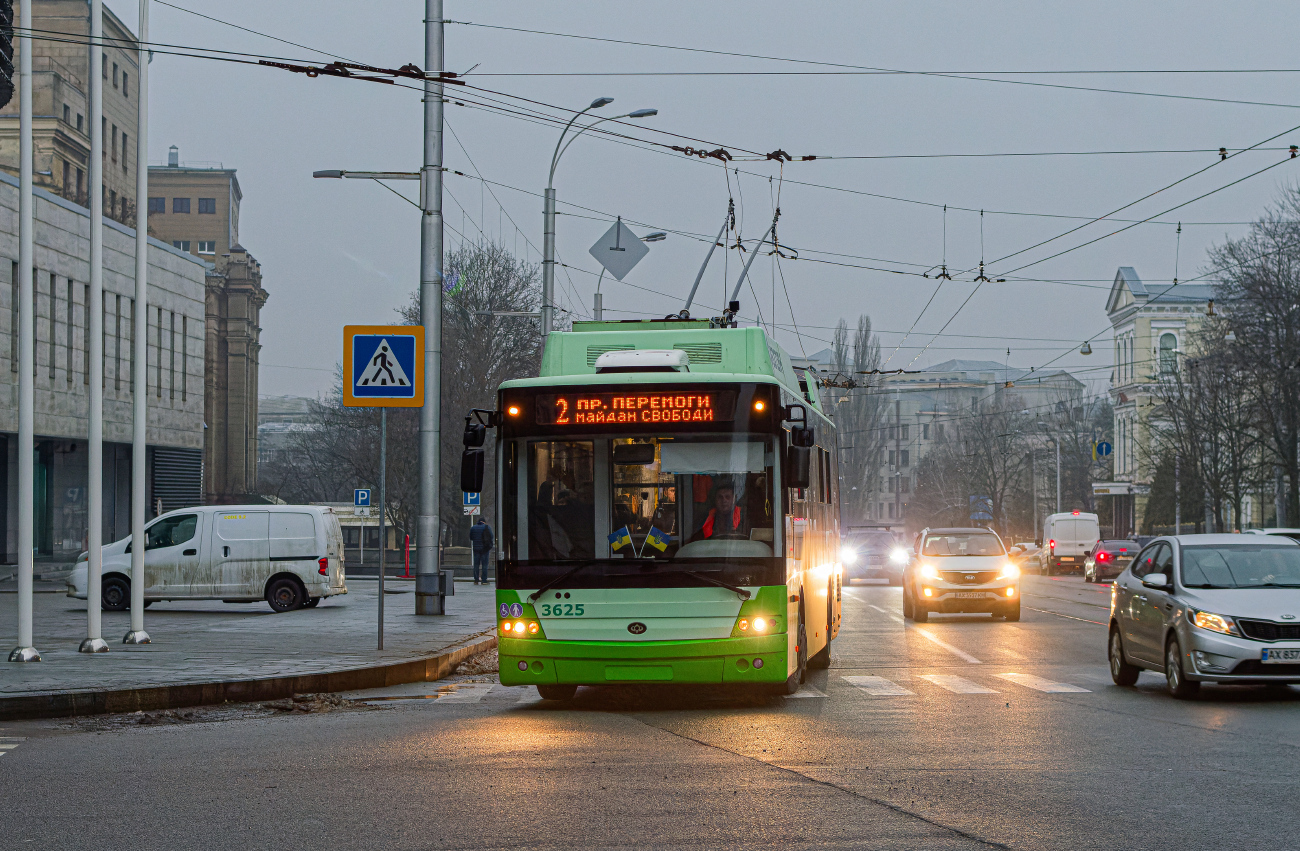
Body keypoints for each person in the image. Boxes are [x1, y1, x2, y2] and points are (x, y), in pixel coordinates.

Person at [468, 517, 494, 585]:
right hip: (484, 549)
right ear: (484, 522)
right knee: (484, 564)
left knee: (476, 565)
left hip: (476, 549)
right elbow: (491, 536)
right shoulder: (487, 527)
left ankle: (476, 580)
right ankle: (484, 580)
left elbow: (471, 537)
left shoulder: (473, 528)